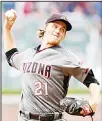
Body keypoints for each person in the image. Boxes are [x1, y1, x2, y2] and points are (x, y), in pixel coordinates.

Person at [3, 9, 100, 121]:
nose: (58, 31)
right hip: (24, 118)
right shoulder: (28, 54)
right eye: (55, 26)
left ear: (63, 36)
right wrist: (7, 28)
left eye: (62, 30)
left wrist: (94, 102)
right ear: (45, 28)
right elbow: (11, 55)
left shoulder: (66, 57)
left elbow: (90, 79)